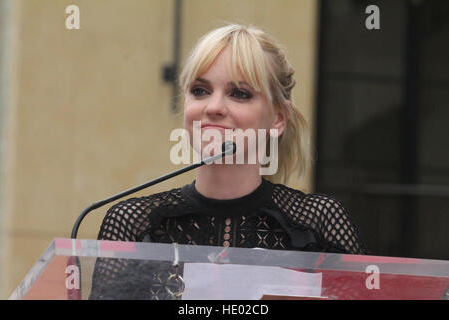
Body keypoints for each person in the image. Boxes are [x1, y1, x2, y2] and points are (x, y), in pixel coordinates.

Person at [89, 23, 368, 300]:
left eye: (239, 94)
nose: (213, 107)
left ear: (278, 118)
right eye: (200, 90)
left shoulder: (318, 223)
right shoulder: (133, 224)